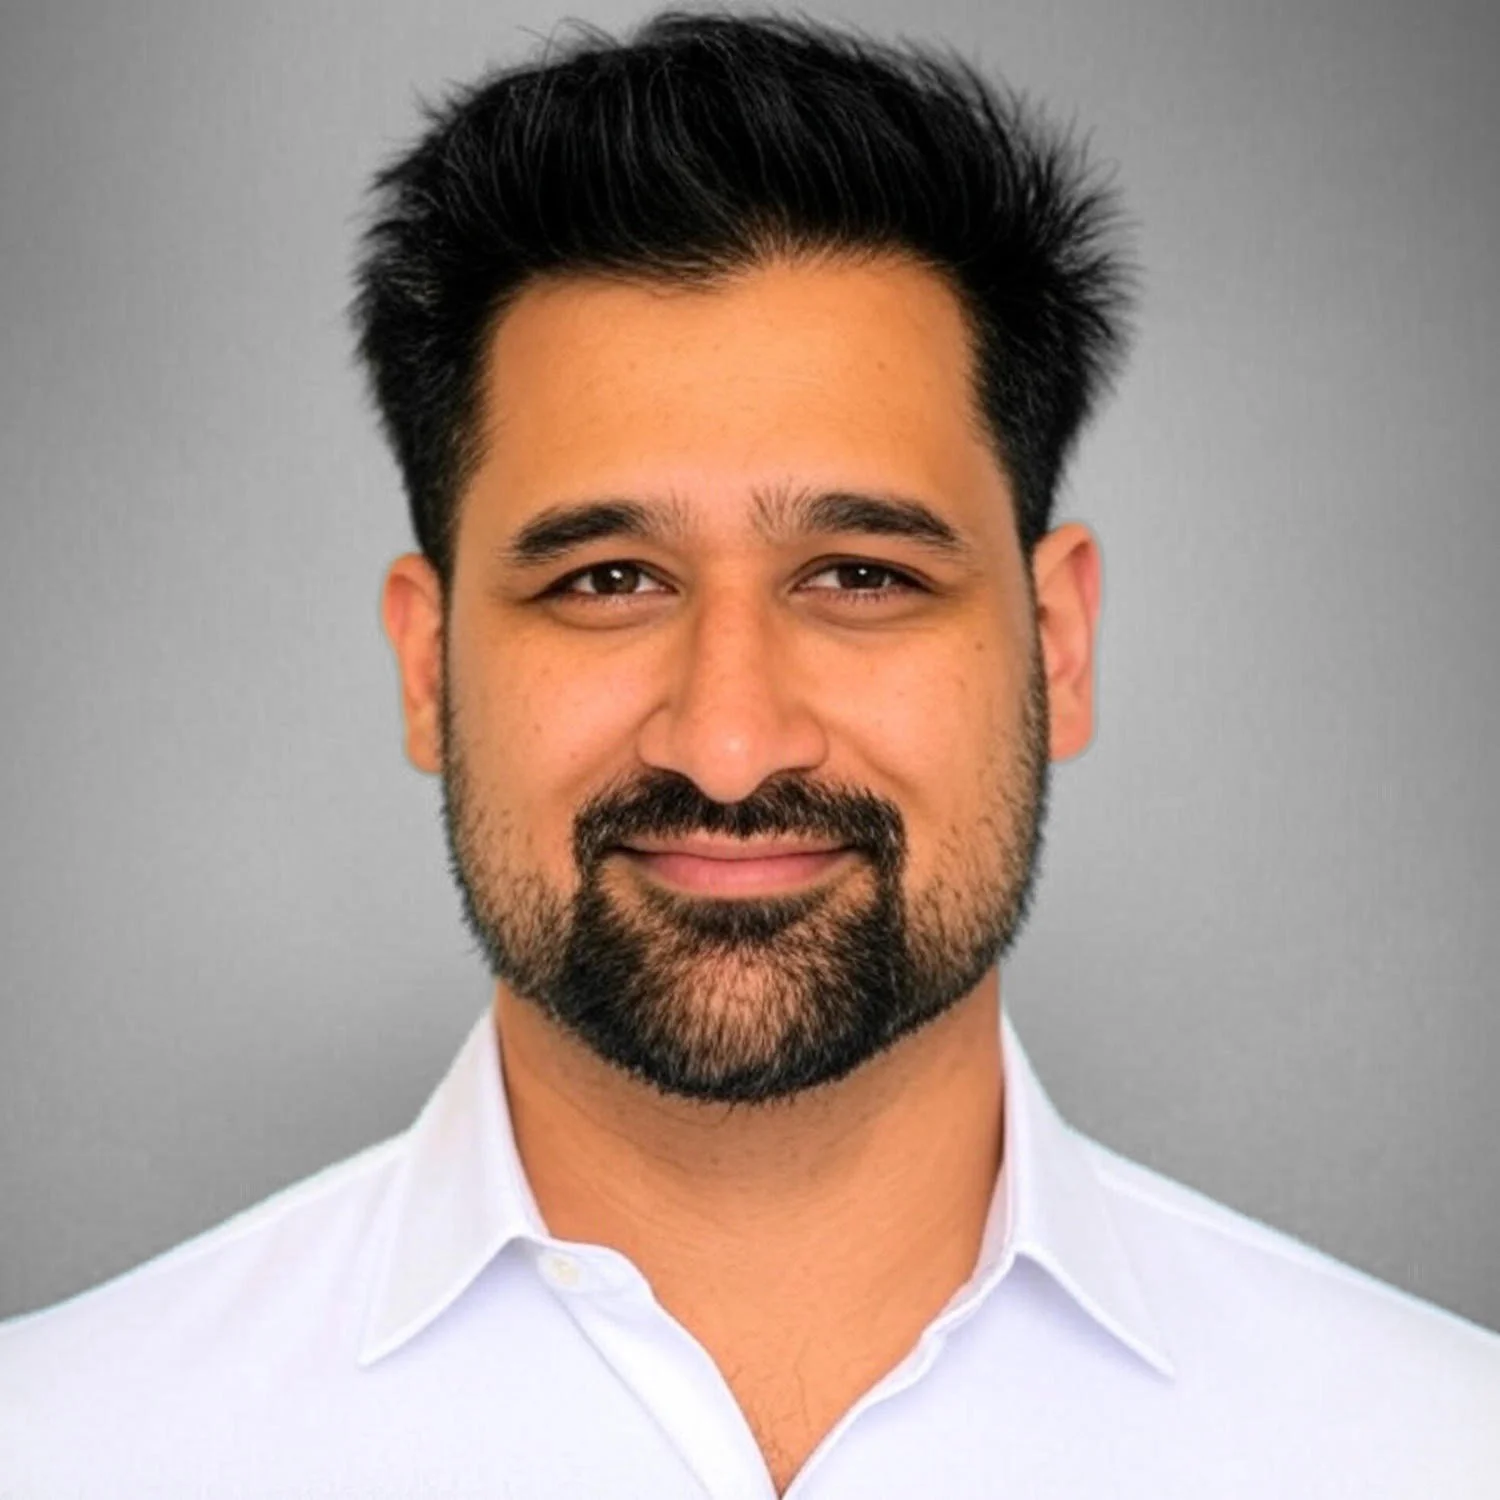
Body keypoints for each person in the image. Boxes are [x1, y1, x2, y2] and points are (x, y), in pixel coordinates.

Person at [2, 7, 1495, 1495]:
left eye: (861, 575)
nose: (727, 745)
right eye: (605, 581)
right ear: (428, 664)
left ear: (1058, 644)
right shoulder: (63, 1444)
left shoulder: (1433, 1445)